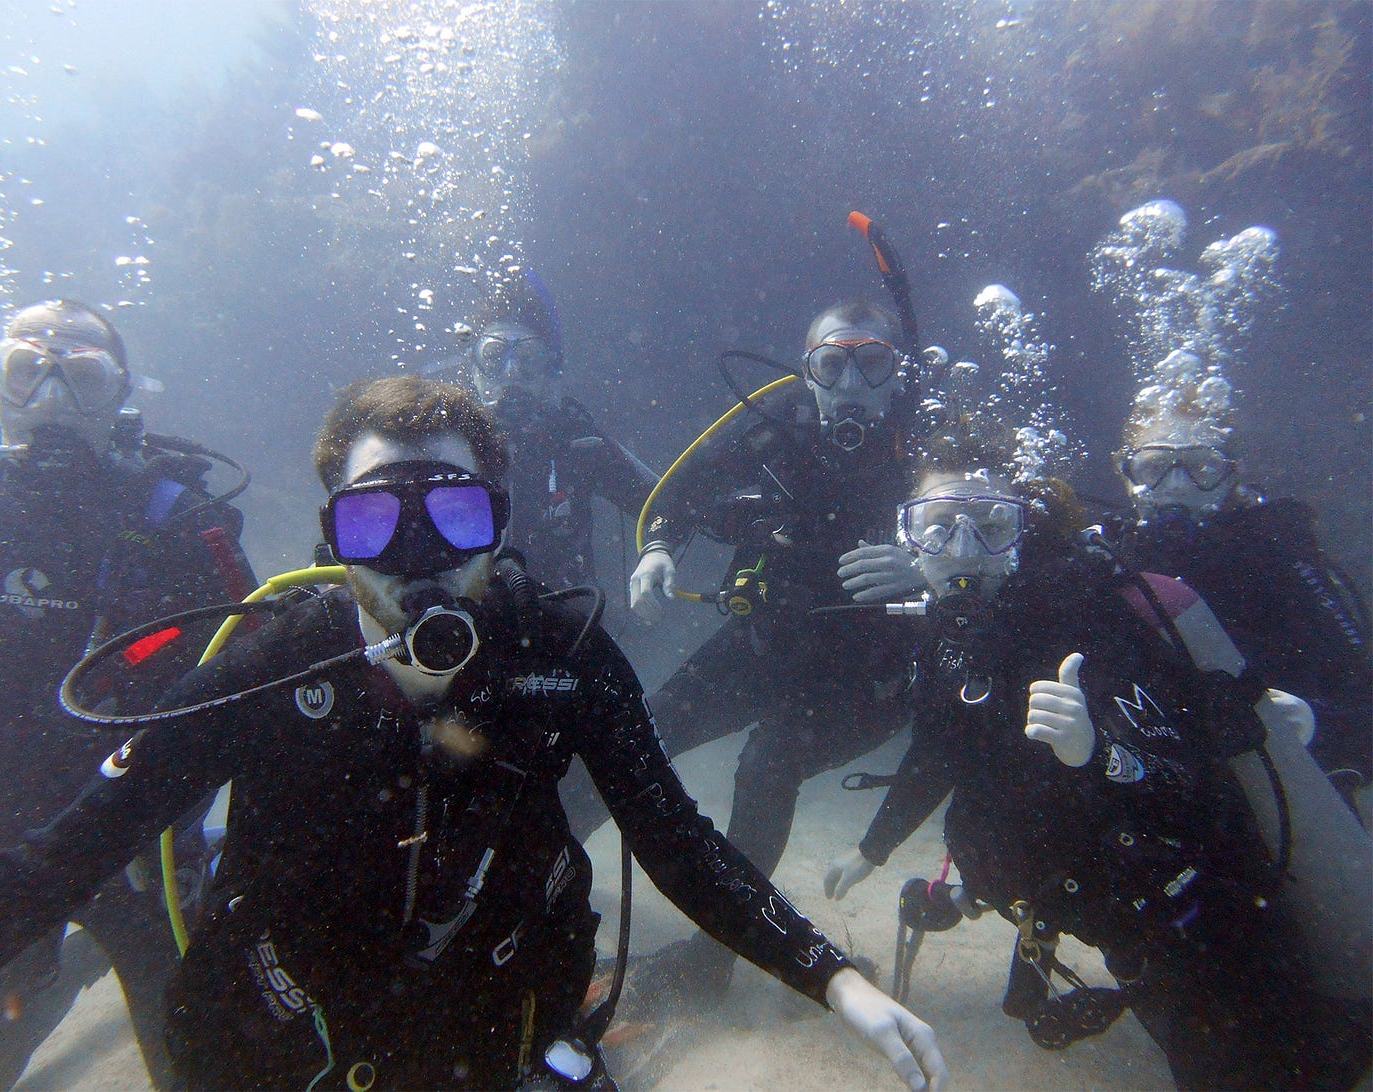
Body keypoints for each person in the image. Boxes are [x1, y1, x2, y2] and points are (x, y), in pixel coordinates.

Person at [0, 376, 947, 1092]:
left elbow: (675, 840)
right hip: (279, 1032)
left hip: (497, 1024)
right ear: (330, 539)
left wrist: (831, 977)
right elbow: (67, 855)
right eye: (374, 522)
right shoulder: (275, 660)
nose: (416, 554)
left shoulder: (561, 655)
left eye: (452, 516)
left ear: (497, 525)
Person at [823, 455, 1372, 1090]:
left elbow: (1198, 801)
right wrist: (873, 849)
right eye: (938, 526)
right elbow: (942, 753)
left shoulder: (1090, 625)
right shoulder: (951, 641)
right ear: (907, 539)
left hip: (1195, 919)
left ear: (1022, 536)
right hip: (1105, 914)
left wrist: (1097, 752)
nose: (963, 548)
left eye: (991, 525)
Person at [0, 300, 256, 1091]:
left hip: (135, 836)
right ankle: (51, 970)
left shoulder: (182, 519)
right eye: (26, 371)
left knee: (201, 1063)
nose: (51, 400)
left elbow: (248, 668)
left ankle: (63, 960)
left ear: (122, 395)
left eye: (83, 378)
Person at [618, 297, 928, 1001]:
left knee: (766, 765)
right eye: (832, 363)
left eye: (871, 362)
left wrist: (928, 568)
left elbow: (1008, 540)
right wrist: (660, 549)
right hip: (766, 643)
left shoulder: (933, 448)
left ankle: (712, 960)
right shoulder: (770, 434)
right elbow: (683, 492)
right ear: (808, 372)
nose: (850, 384)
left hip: (867, 680)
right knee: (635, 735)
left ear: (898, 373)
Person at [1104, 350, 1372, 819]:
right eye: (1154, 468)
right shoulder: (1104, 562)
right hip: (1155, 803)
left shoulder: (1278, 559)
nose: (1178, 486)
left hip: (1279, 806)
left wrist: (1314, 723)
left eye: (1202, 467)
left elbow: (1362, 701)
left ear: (1233, 475)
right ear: (1125, 474)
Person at [464, 271, 657, 592]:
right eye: (495, 356)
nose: (511, 371)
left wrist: (657, 548)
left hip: (564, 623)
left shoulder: (576, 442)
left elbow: (664, 502)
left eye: (528, 358)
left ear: (548, 370)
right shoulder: (449, 443)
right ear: (473, 369)